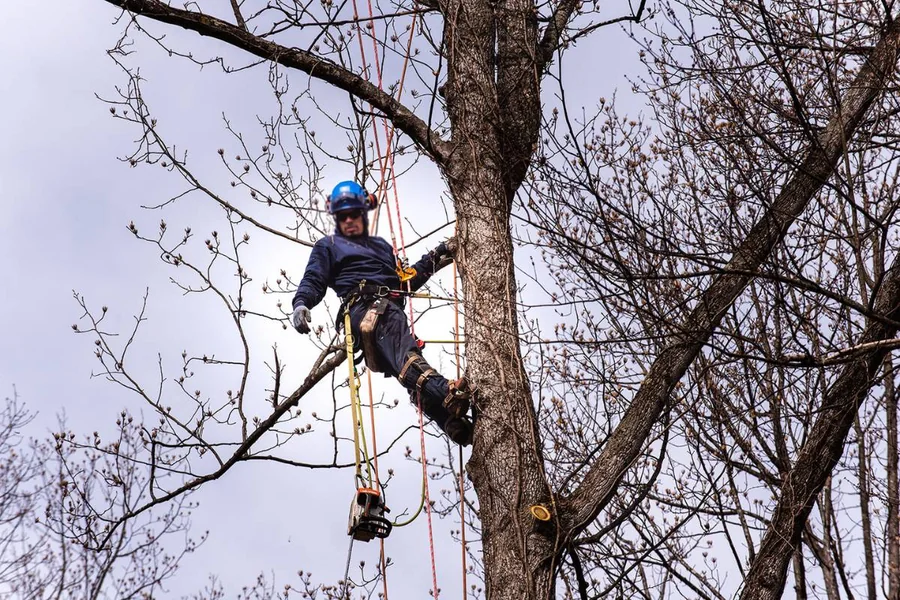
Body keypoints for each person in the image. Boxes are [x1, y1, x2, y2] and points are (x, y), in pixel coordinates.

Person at [291, 181, 474, 445]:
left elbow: (406, 280)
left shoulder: (381, 248)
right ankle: (446, 391)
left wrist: (439, 254)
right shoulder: (328, 245)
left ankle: (450, 421)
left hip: (386, 309)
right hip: (366, 308)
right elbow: (314, 278)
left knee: (406, 366)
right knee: (406, 356)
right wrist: (301, 302)